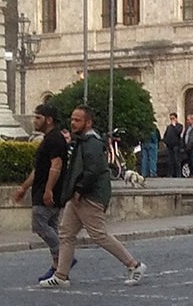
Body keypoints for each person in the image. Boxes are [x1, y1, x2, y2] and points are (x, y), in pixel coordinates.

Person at [40, 105, 145, 288]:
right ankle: (61, 275)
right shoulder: (81, 141)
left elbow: (93, 170)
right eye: (72, 119)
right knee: (66, 233)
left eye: (77, 120)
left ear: (88, 123)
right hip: (78, 195)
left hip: (90, 195)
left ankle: (134, 265)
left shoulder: (92, 143)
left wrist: (80, 190)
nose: (73, 123)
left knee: (98, 234)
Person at [12, 103, 73, 282]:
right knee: (52, 227)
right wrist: (24, 187)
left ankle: (63, 258)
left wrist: (48, 190)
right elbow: (39, 168)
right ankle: (58, 267)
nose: (34, 121)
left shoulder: (54, 139)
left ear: (49, 120)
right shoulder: (49, 138)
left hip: (48, 191)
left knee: (39, 224)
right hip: (43, 189)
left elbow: (57, 165)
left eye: (38, 118)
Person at [163, 113, 184, 177]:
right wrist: (166, 141)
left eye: (173, 118)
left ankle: (178, 174)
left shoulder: (179, 126)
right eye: (171, 119)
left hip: (176, 146)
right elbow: (165, 135)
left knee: (177, 160)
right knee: (170, 161)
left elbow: (178, 132)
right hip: (169, 146)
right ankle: (170, 174)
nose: (172, 120)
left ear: (176, 118)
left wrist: (174, 125)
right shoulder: (169, 127)